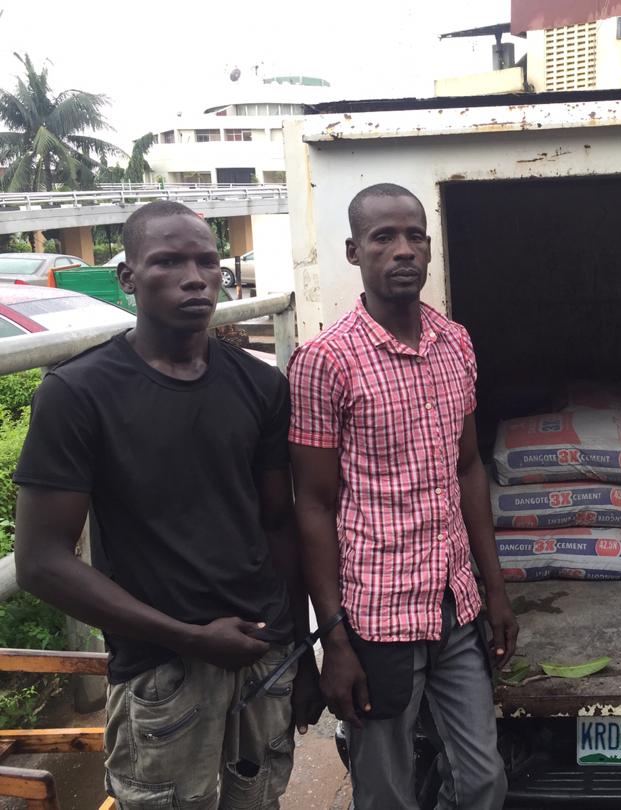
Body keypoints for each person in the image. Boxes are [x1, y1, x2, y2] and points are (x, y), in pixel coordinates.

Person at [14, 200, 322, 808]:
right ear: (128, 277)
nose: (195, 278)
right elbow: (41, 562)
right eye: (169, 262)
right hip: (162, 670)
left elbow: (277, 522)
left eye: (207, 262)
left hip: (262, 656)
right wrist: (190, 637)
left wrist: (300, 653)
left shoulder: (260, 384)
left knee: (260, 799)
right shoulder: (78, 393)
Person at [288, 182, 517, 810]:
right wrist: (334, 638)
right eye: (383, 237)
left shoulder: (455, 342)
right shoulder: (326, 360)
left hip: (455, 603)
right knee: (386, 790)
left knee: (483, 779)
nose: (403, 250)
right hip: (377, 616)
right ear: (353, 251)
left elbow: (468, 468)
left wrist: (495, 590)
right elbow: (313, 505)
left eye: (415, 235)